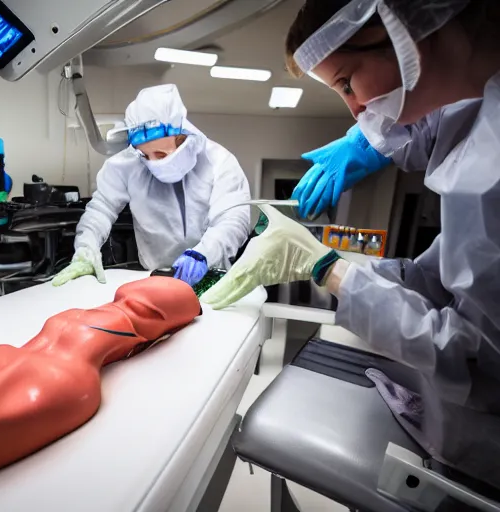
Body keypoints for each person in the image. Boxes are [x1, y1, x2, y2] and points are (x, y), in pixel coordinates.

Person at [202, 0, 500, 490]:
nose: (356, 111)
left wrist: (328, 269)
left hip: (482, 452)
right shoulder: (478, 115)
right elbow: (434, 280)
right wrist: (328, 264)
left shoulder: (491, 169)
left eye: (345, 82)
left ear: (409, 27)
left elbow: (478, 363)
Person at [52, 84, 251, 287]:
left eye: (161, 154)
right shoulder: (126, 165)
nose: (154, 162)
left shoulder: (219, 162)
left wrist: (203, 256)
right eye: (145, 155)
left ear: (182, 137)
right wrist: (86, 248)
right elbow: (101, 210)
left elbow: (233, 219)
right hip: (153, 280)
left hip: (211, 277)